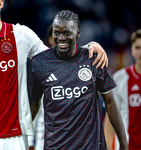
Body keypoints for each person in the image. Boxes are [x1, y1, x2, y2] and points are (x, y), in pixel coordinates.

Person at [0, 0, 108, 149]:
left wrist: (88, 47)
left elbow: (54, 57)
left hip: (15, 136)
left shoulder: (21, 35)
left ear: (0, 3)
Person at [28, 10, 128, 150]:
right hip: (56, 146)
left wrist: (123, 144)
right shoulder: (39, 63)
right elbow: (33, 105)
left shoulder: (94, 59)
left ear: (78, 33)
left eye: (67, 33)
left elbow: (110, 102)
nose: (61, 37)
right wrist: (21, 138)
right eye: (57, 32)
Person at [104, 29, 141, 150]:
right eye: (137, 47)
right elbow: (110, 119)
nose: (140, 52)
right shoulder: (120, 78)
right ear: (131, 50)